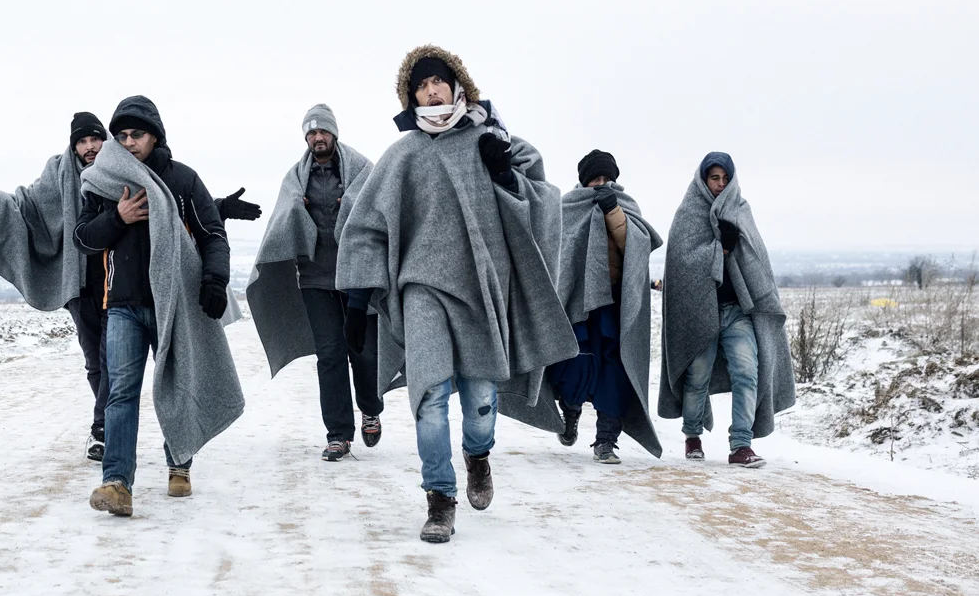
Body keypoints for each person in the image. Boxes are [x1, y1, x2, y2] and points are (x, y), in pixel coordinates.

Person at [337, 46, 577, 543]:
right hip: (421, 290)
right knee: (429, 398)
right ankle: (439, 499)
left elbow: (542, 202)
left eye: (437, 81)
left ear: (456, 84)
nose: (431, 90)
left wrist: (505, 174)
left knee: (482, 404)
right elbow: (364, 224)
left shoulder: (490, 140)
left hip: (480, 291)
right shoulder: (403, 154)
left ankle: (477, 455)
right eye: (420, 86)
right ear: (412, 96)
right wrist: (357, 300)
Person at [0, 114, 261, 463]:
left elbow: (165, 202)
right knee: (96, 363)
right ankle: (110, 437)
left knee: (130, 366)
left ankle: (113, 433)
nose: (89, 147)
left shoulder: (122, 169)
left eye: (95, 139)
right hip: (83, 283)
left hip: (125, 283)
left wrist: (220, 208)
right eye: (81, 142)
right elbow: (26, 206)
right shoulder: (57, 176)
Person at [73, 96, 244, 517]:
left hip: (176, 306)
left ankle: (179, 463)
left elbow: (212, 235)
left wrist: (215, 280)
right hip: (123, 306)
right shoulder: (101, 182)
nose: (129, 142)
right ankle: (116, 483)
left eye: (138, 134)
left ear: (156, 136)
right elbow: (83, 238)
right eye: (122, 135)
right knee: (120, 393)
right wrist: (118, 217)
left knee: (179, 384)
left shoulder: (182, 181)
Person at [246, 104, 381, 461]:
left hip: (357, 277)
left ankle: (370, 408)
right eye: (311, 132)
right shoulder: (296, 176)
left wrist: (347, 205)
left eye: (323, 131)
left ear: (334, 133)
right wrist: (297, 212)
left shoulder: (362, 168)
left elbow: (376, 209)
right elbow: (283, 214)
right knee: (330, 355)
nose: (317, 137)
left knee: (364, 354)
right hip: (315, 277)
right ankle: (338, 434)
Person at [658, 152, 795, 467]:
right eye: (714, 178)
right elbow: (681, 262)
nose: (720, 185)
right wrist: (719, 248)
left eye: (725, 178)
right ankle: (693, 436)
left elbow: (756, 257)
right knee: (697, 377)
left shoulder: (740, 210)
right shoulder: (689, 213)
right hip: (700, 311)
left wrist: (735, 246)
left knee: (747, 372)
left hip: (737, 309)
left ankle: (741, 445)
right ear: (703, 179)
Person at [543, 150, 664, 464]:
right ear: (584, 181)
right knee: (573, 365)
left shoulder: (624, 207)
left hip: (615, 306)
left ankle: (605, 441)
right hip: (577, 303)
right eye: (595, 179)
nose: (601, 184)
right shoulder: (568, 207)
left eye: (606, 178)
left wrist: (612, 211)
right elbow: (555, 254)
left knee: (615, 371)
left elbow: (635, 246)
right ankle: (569, 412)